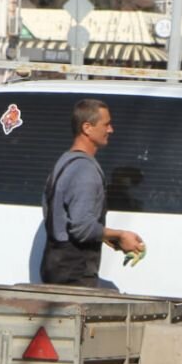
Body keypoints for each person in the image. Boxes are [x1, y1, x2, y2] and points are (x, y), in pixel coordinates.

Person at [40, 99, 144, 286]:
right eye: (106, 124)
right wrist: (120, 235)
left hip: (55, 265)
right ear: (87, 127)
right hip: (75, 272)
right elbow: (81, 227)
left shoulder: (64, 161)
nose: (110, 130)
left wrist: (108, 237)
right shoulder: (85, 170)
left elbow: (63, 218)